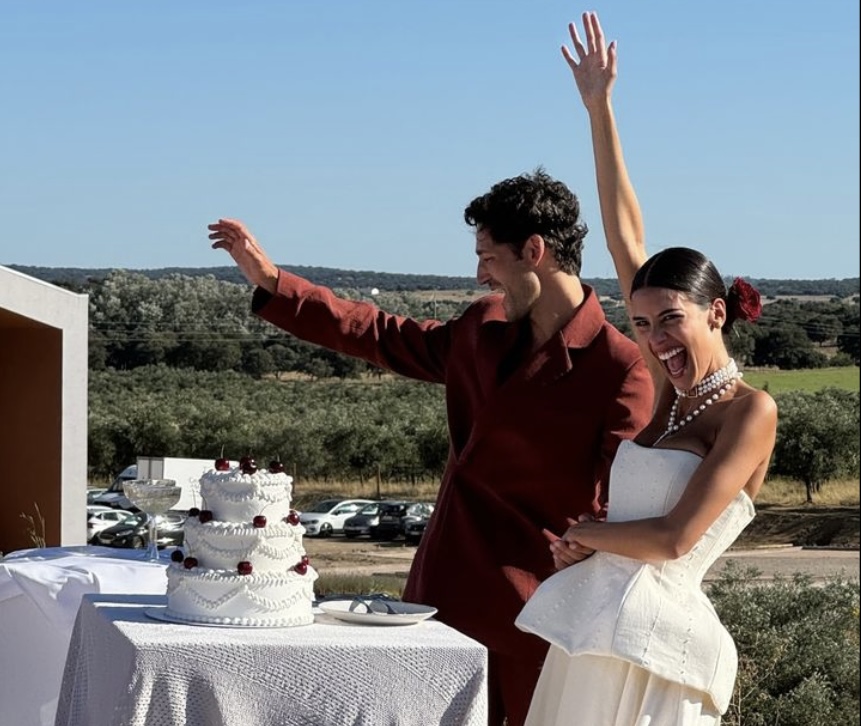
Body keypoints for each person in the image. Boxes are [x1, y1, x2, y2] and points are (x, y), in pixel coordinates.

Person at [208, 168, 654, 725]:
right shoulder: (481, 326)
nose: (480, 274)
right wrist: (275, 283)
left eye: (488, 257)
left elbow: (623, 508)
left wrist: (585, 548)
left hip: (531, 619)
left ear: (534, 251)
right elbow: (380, 334)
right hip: (434, 598)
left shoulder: (620, 367)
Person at [515, 12, 778, 725]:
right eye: (639, 323)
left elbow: (672, 540)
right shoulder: (669, 391)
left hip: (660, 651)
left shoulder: (749, 411)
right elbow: (623, 235)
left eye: (670, 319)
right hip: (594, 631)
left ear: (715, 313)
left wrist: (585, 535)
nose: (654, 339)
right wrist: (599, 108)